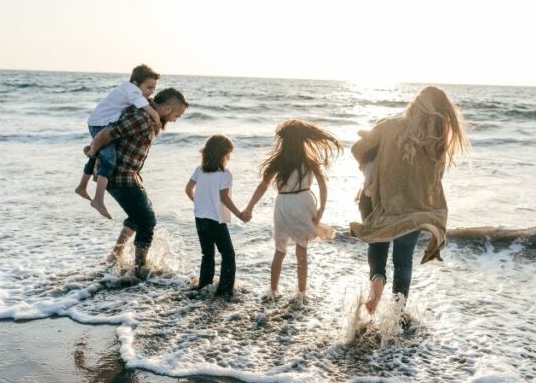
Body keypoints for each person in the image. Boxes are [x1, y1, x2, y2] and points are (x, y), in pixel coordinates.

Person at [350, 86, 469, 314]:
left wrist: (373, 156)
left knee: (378, 249)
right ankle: (397, 314)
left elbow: (358, 149)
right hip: (414, 214)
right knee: (403, 263)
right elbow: (434, 181)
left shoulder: (389, 126)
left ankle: (377, 280)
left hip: (381, 206)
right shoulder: (436, 143)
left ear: (414, 105)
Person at [84, 87, 189, 282]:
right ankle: (140, 268)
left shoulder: (149, 116)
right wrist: (92, 151)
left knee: (139, 214)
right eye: (177, 114)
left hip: (129, 175)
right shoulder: (142, 118)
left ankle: (115, 256)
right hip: (119, 176)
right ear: (166, 108)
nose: (176, 119)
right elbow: (108, 133)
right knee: (147, 220)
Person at [242, 120, 342, 297]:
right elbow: (323, 186)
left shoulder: (278, 162)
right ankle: (302, 292)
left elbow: (263, 186)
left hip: (283, 204)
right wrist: (322, 209)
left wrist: (249, 207)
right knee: (301, 250)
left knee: (280, 250)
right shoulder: (310, 161)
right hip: (303, 202)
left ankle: (272, 291)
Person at [76, 64, 163, 219]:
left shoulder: (129, 89)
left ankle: (82, 186)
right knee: (109, 161)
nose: (151, 92)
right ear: (136, 83)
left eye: (154, 89)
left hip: (99, 122)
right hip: (100, 124)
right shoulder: (132, 91)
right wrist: (156, 118)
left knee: (98, 155)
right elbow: (149, 110)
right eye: (149, 88)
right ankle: (98, 199)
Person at [185, 135, 247, 297]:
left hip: (200, 217)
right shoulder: (225, 174)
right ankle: (225, 290)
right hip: (215, 220)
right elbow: (224, 197)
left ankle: (204, 286)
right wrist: (240, 214)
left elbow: (188, 189)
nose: (229, 158)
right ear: (223, 154)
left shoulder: (199, 170)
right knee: (228, 254)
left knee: (207, 254)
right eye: (229, 154)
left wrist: (199, 203)